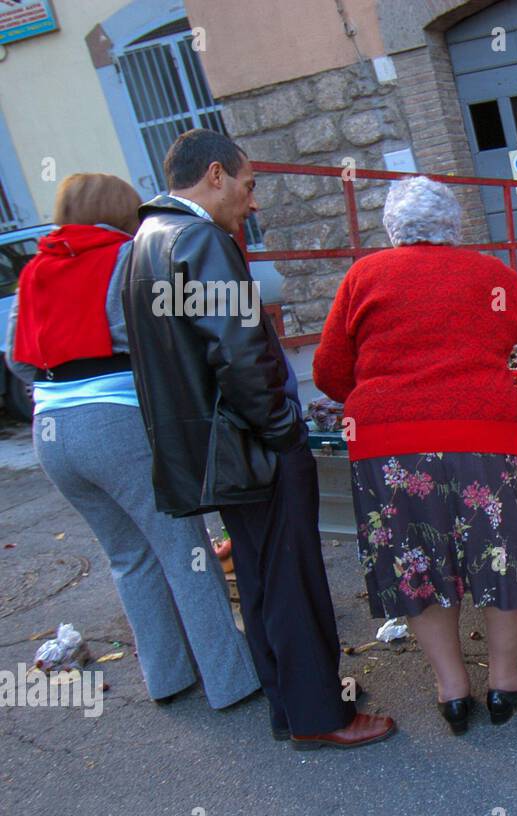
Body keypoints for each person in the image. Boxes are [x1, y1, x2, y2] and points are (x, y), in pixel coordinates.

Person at [121, 128, 395, 750]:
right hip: (253, 445)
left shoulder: (143, 244)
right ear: (215, 175)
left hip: (212, 450)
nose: (253, 202)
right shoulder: (202, 241)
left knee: (264, 574)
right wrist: (282, 430)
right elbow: (240, 354)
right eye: (248, 186)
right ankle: (323, 714)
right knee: (291, 578)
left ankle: (293, 705)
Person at [313, 176, 517, 735]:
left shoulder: (363, 276)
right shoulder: (484, 273)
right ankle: (504, 683)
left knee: (417, 564)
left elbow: (330, 372)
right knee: (501, 554)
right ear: (454, 227)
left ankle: (452, 692)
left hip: (389, 446)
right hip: (483, 438)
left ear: (392, 229)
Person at [5, 173, 261, 708]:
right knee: (185, 551)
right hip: (117, 422)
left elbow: (19, 359)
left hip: (51, 431)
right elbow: (151, 336)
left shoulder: (32, 271)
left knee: (128, 557)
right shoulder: (127, 258)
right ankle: (232, 678)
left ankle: (167, 676)